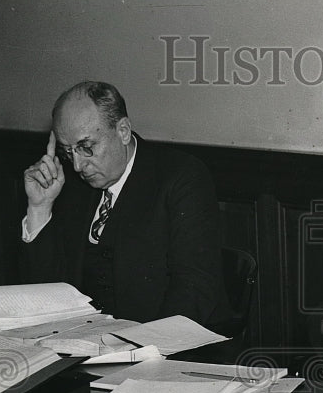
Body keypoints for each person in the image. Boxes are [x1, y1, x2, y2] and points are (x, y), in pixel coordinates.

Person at [22, 81, 231, 327]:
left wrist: (146, 349)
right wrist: (39, 208)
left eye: (86, 147)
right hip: (87, 346)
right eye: (68, 152)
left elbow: (194, 290)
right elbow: (47, 294)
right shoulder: (73, 183)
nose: (78, 165)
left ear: (122, 130)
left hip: (163, 348)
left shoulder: (181, 177)